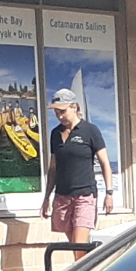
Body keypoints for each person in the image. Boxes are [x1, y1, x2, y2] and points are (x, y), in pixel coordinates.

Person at [40, 88, 111, 245]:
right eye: (56, 112)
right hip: (62, 196)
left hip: (84, 195)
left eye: (62, 111)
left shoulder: (90, 130)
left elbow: (105, 162)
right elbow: (53, 168)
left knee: (79, 244)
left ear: (74, 107)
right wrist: (46, 198)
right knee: (74, 247)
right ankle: (88, 268)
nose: (59, 116)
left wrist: (109, 193)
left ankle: (87, 269)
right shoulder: (55, 134)